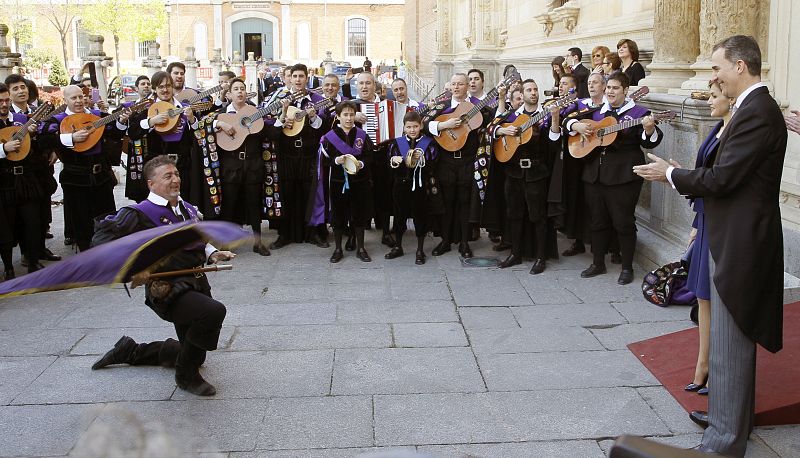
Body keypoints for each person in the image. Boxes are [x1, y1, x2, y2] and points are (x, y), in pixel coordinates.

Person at [634, 35, 787, 457]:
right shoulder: (750, 109)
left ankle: (724, 441)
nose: (713, 76)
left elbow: (723, 180)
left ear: (740, 66)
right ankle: (726, 416)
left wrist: (669, 174)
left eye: (717, 67)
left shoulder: (758, 112)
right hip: (731, 236)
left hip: (743, 243)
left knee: (733, 340)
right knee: (724, 338)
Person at [90, 156, 235, 397]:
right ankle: (185, 377)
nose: (175, 179)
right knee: (213, 311)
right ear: (151, 183)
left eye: (176, 174)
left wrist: (213, 253)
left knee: (195, 353)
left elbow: (196, 239)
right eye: (167, 176)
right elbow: (102, 240)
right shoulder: (138, 213)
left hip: (197, 282)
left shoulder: (186, 207)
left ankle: (131, 351)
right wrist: (134, 268)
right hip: (168, 289)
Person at [569, 71, 661, 285]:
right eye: (608, 87)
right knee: (597, 221)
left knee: (623, 222)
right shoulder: (595, 111)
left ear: (626, 90)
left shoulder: (638, 113)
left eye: (615, 88)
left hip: (623, 176)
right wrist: (576, 125)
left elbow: (649, 142)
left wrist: (649, 129)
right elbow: (568, 123)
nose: (610, 91)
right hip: (594, 175)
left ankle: (627, 267)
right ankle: (597, 262)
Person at [683, 80, 734, 399]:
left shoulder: (735, 132)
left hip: (722, 224)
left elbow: (721, 180)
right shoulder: (717, 127)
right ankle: (701, 365)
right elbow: (703, 175)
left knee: (717, 300)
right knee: (703, 297)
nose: (709, 101)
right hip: (704, 218)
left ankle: (716, 368)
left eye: (715, 96)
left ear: (730, 98)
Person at [39, 85, 123, 252]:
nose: (78, 101)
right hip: (75, 180)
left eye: (80, 97)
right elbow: (43, 140)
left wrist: (122, 121)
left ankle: (108, 255)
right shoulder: (57, 120)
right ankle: (87, 258)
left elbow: (115, 132)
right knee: (81, 222)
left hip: (101, 178)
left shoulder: (97, 116)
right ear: (66, 100)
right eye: (73, 98)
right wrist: (71, 137)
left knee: (106, 219)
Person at [492, 79, 561, 274]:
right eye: (529, 90)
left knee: (538, 216)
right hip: (513, 172)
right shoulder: (513, 115)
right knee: (514, 214)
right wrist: (503, 129)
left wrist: (555, 118)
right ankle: (515, 253)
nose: (533, 92)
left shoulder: (544, 115)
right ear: (522, 94)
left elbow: (554, 142)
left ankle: (540, 256)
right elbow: (492, 129)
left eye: (535, 89)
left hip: (536, 173)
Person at [425, 73, 493, 258]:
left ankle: (464, 242)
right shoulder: (443, 106)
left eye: (460, 84)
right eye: (454, 84)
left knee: (465, 201)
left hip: (467, 160)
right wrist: (443, 125)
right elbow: (423, 123)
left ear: (466, 87)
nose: (456, 87)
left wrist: (501, 98)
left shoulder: (476, 108)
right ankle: (446, 240)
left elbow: (492, 120)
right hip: (446, 160)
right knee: (447, 201)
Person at [206, 78, 271, 256]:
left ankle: (258, 242)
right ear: (229, 94)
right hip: (231, 164)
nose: (240, 92)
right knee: (230, 203)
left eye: (242, 88)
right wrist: (220, 124)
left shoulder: (254, 112)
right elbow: (204, 124)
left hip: (252, 164)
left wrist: (281, 116)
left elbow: (268, 133)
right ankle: (226, 242)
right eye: (236, 89)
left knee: (254, 202)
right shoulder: (221, 113)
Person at [268, 63, 327, 249]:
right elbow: (272, 130)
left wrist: (312, 117)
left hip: (309, 154)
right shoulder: (280, 99)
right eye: (295, 76)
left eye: (302, 76)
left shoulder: (317, 100)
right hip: (287, 153)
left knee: (310, 194)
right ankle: (285, 234)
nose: (298, 80)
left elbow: (323, 129)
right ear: (290, 78)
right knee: (287, 192)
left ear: (307, 79)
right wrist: (282, 115)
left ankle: (314, 233)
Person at [127, 71, 201, 205]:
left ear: (173, 87)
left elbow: (199, 136)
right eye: (160, 87)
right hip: (156, 170)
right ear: (154, 89)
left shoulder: (184, 108)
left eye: (168, 86)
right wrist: (151, 121)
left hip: (182, 168)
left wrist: (192, 120)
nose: (165, 90)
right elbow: (132, 133)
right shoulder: (146, 110)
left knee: (182, 205)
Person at [316, 100, 374, 263]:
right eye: (345, 115)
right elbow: (324, 160)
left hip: (359, 181)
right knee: (338, 215)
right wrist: (336, 160)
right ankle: (338, 249)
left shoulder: (362, 135)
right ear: (338, 116)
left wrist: (360, 163)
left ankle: (361, 248)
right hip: (338, 181)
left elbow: (370, 156)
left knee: (359, 214)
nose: (349, 118)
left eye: (351, 115)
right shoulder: (330, 137)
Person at [385, 111, 438, 264]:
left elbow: (433, 163)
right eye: (409, 127)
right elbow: (390, 164)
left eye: (415, 126)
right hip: (400, 185)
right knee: (399, 215)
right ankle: (398, 246)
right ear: (404, 127)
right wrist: (394, 161)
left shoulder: (429, 143)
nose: (412, 130)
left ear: (421, 125)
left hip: (420, 185)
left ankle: (420, 250)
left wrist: (421, 159)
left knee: (420, 216)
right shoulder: (397, 143)